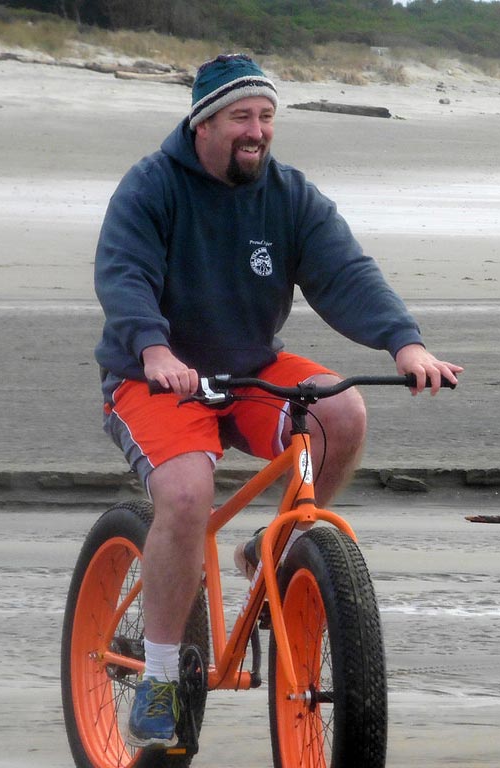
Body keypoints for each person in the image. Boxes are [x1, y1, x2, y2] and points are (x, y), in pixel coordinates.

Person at [94, 53, 463, 748]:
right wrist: (155, 348)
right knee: (184, 494)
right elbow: (124, 276)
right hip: (152, 376)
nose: (257, 131)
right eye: (241, 116)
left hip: (247, 369)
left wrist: (405, 345)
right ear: (203, 123)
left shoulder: (289, 196)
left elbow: (348, 273)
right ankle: (163, 676)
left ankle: (277, 546)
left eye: (266, 117)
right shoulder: (150, 188)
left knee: (342, 413)